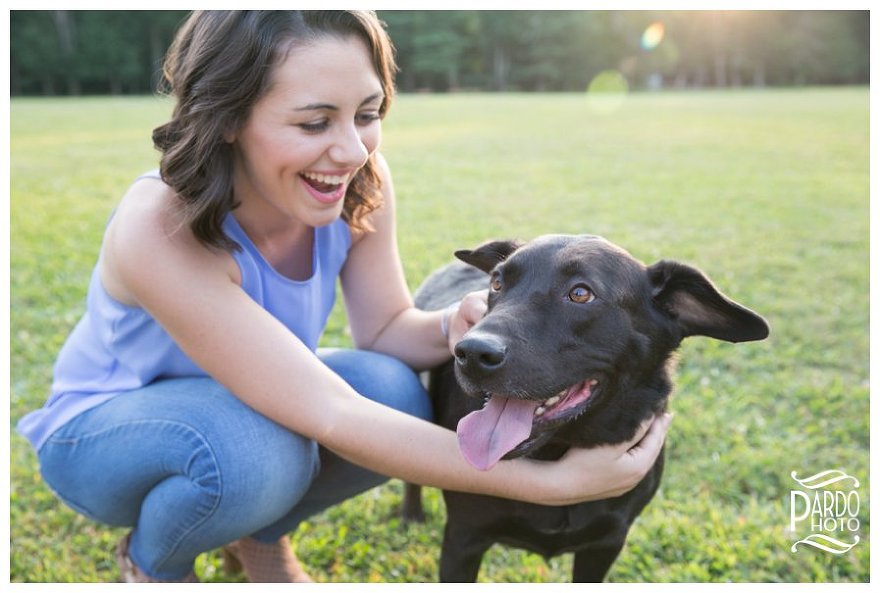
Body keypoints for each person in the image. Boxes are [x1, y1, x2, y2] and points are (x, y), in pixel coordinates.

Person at [16, 10, 672, 583]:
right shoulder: (158, 222)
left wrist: (452, 321)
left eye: (367, 114)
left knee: (396, 390)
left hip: (251, 402)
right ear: (225, 119)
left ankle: (259, 537)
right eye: (313, 122)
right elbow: (328, 412)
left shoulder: (355, 180)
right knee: (251, 452)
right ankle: (154, 563)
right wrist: (554, 482)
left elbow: (384, 329)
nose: (351, 149)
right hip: (103, 434)